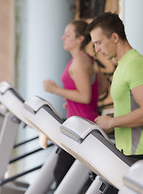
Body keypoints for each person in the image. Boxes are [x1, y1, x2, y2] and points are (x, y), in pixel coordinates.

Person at [86, 12, 143, 164]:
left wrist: (111, 122)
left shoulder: (136, 64)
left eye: (99, 43)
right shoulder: (123, 65)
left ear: (115, 37)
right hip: (129, 152)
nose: (96, 49)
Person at [43, 19, 108, 187]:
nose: (63, 38)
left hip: (82, 126)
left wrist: (56, 89)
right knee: (68, 175)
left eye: (68, 35)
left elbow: (85, 96)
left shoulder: (79, 61)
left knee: (61, 174)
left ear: (80, 39)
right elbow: (102, 87)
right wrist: (73, 101)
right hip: (82, 121)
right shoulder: (87, 59)